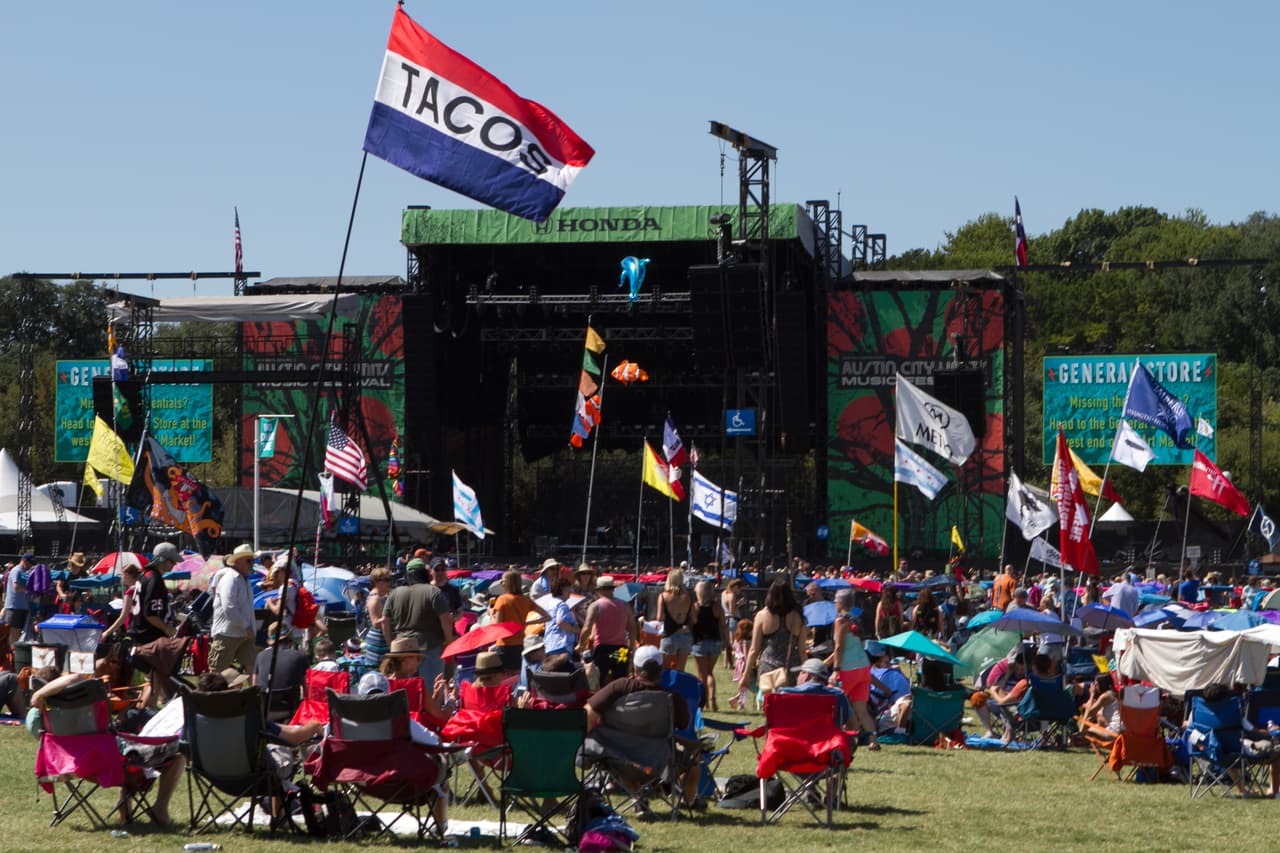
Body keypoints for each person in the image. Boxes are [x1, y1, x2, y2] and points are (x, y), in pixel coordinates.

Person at [31, 667, 185, 828]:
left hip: (63, 762)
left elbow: (40, 701)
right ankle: (159, 809)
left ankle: (126, 801)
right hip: (107, 760)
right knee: (177, 754)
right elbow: (76, 677)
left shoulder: (44, 713)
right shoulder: (74, 707)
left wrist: (39, 694)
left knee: (132, 752)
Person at [586, 645, 702, 810]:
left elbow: (588, 714)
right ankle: (689, 801)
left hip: (618, 757)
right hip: (658, 761)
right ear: (662, 669)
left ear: (635, 667)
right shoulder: (672, 697)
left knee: (618, 747)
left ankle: (637, 796)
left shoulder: (618, 688)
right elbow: (684, 724)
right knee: (694, 757)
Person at [384, 559, 455, 689]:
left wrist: (391, 645)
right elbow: (446, 620)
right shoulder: (434, 592)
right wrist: (449, 642)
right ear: (425, 573)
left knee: (405, 693)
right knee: (432, 692)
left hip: (402, 651)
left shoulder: (395, 593)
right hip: (430, 647)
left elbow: (385, 622)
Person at [826, 588, 879, 747]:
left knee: (832, 705)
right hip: (863, 668)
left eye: (835, 601)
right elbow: (850, 645)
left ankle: (836, 738)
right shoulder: (855, 619)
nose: (834, 603)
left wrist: (835, 671)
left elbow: (839, 647)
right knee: (861, 710)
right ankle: (872, 740)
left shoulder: (840, 621)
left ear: (841, 603)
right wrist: (826, 661)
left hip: (847, 669)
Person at [741, 581, 805, 692]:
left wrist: (746, 676)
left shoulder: (761, 616)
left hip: (768, 667)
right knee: (791, 704)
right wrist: (806, 672)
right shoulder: (798, 616)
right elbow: (802, 650)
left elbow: (753, 650)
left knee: (771, 704)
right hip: (792, 667)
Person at [577, 576, 638, 684]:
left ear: (598, 590)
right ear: (613, 589)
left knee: (600, 680)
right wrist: (632, 646)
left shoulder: (595, 606)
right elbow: (632, 628)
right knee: (621, 681)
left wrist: (580, 645)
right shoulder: (625, 605)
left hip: (602, 649)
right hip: (621, 649)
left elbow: (586, 629)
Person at [208, 543, 257, 674]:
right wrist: (247, 626)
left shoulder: (243, 580)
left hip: (244, 633)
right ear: (237, 561)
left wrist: (249, 628)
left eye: (253, 561)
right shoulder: (230, 578)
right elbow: (229, 607)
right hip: (227, 633)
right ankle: (210, 694)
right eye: (249, 561)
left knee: (251, 666)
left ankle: (256, 694)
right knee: (217, 671)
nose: (252, 564)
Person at [489, 569, 549, 673]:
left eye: (503, 581)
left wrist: (490, 613)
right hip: (521, 644)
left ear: (507, 583)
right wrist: (528, 623)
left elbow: (497, 626)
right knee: (517, 675)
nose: (501, 583)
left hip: (505, 644)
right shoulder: (526, 600)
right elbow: (547, 617)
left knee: (506, 677)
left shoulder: (502, 599)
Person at [254, 622, 309, 720]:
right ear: (290, 641)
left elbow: (255, 687)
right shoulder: (300, 656)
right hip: (291, 709)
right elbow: (307, 689)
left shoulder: (260, 656)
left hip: (264, 711)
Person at [689, 580, 729, 711]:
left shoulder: (694, 607)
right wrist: (727, 643)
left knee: (702, 675)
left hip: (699, 642)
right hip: (715, 642)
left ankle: (704, 702)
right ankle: (713, 699)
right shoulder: (717, 607)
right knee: (710, 673)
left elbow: (691, 624)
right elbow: (723, 626)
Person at [778, 658, 854, 728]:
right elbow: (849, 721)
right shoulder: (838, 695)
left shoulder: (783, 694)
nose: (797, 678)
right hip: (827, 740)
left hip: (791, 739)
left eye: (799, 673)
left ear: (806, 675)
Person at [867, 641, 912, 736]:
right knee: (906, 703)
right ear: (877, 663)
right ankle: (900, 734)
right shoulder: (890, 675)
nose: (889, 666)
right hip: (884, 715)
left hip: (884, 712)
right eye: (887, 663)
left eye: (889, 663)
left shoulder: (870, 673)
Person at [657, 568, 694, 671]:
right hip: (685, 635)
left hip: (669, 634)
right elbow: (693, 618)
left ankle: (664, 687)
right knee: (680, 669)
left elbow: (659, 617)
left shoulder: (663, 596)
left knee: (664, 669)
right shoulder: (688, 597)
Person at [363, 567, 393, 670]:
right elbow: (375, 622)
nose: (388, 583)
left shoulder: (383, 596)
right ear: (376, 582)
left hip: (383, 638)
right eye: (385, 580)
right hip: (378, 640)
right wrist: (388, 617)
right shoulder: (375, 599)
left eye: (389, 579)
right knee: (378, 670)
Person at [541, 577, 579, 657]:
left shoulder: (549, 604)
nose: (570, 594)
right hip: (562, 644)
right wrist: (575, 629)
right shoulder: (562, 605)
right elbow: (561, 622)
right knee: (563, 669)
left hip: (549, 644)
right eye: (569, 590)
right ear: (562, 589)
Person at [5, 553, 32, 647]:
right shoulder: (17, 570)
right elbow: (16, 587)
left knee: (18, 632)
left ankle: (13, 654)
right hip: (15, 606)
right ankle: (11, 655)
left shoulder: (24, 572)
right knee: (14, 632)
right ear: (24, 561)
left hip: (22, 607)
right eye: (29, 563)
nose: (30, 566)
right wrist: (31, 590)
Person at [728, 619, 754, 711]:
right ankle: (741, 703)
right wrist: (749, 666)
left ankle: (736, 699)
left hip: (738, 664)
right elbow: (747, 656)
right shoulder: (746, 641)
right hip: (744, 664)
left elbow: (734, 651)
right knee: (746, 685)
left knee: (744, 685)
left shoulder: (736, 640)